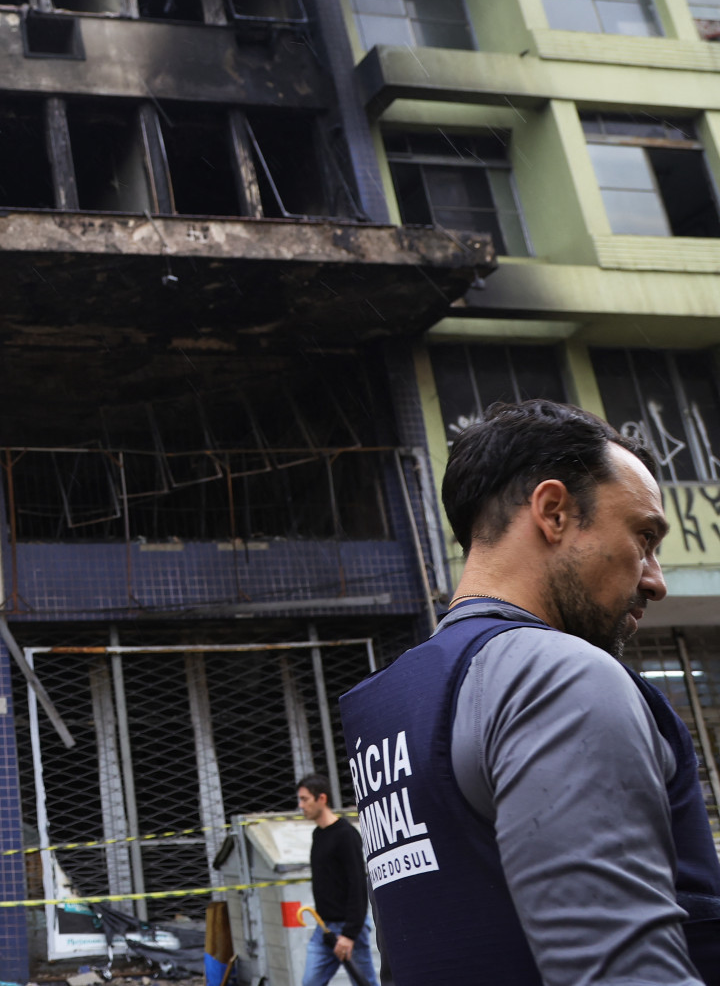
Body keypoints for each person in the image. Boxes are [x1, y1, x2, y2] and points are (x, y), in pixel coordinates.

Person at [342, 399, 720, 985]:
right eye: (644, 537)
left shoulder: (396, 699)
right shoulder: (557, 675)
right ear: (554, 512)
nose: (656, 579)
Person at [296, 773, 373, 986]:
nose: (301, 805)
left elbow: (358, 885)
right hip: (324, 927)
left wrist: (349, 934)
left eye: (305, 799)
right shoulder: (318, 835)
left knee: (364, 983)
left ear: (322, 798)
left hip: (349, 928)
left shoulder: (345, 835)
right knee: (310, 982)